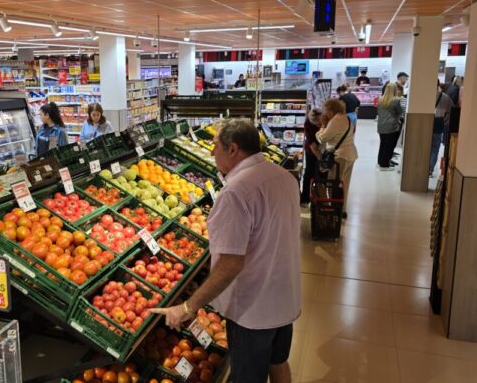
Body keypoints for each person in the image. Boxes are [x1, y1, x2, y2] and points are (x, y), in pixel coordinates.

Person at [152, 119, 301, 383]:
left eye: (215, 146)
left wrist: (188, 307)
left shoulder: (235, 193)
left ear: (232, 149)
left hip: (252, 311)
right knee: (278, 363)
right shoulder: (284, 177)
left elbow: (231, 264)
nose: (211, 152)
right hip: (284, 296)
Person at [316, 99, 358, 218]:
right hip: (351, 154)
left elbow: (323, 138)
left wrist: (322, 127)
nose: (324, 113)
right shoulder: (347, 118)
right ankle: (341, 209)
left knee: (333, 184)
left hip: (340, 157)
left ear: (331, 110)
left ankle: (333, 209)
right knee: (344, 184)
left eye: (325, 110)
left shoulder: (335, 121)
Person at [376, 83, 406, 170]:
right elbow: (399, 111)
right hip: (391, 126)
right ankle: (385, 165)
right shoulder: (396, 100)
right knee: (389, 146)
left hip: (381, 125)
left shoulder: (380, 99)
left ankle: (380, 162)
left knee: (383, 144)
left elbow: (379, 111)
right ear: (394, 90)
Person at [430, 82, 453, 177]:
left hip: (426, 122)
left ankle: (423, 167)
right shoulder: (446, 97)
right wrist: (445, 121)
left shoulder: (425, 95)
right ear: (438, 85)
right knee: (435, 148)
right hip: (439, 123)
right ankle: (430, 169)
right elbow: (451, 111)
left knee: (425, 146)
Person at [300, 109, 323, 206]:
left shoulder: (327, 119)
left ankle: (320, 198)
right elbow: (312, 144)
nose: (318, 125)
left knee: (321, 175)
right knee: (309, 173)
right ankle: (305, 198)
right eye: (316, 124)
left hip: (324, 148)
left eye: (320, 123)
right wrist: (320, 158)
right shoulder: (308, 123)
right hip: (311, 150)